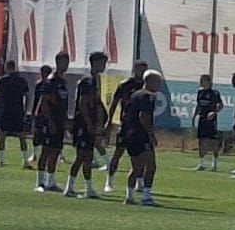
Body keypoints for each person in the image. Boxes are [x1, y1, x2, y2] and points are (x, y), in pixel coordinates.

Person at [115, 67, 163, 204]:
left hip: (131, 135)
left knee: (137, 167)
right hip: (141, 135)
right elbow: (143, 116)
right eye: (158, 82)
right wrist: (151, 133)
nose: (159, 85)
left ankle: (129, 196)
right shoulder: (146, 96)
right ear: (150, 81)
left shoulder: (136, 94)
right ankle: (146, 197)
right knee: (151, 165)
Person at [102, 59, 149, 187]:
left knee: (141, 156)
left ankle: (139, 183)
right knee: (118, 152)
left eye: (144, 69)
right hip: (126, 124)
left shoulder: (146, 87)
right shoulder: (125, 84)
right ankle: (109, 180)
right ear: (134, 69)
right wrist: (110, 120)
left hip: (140, 126)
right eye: (140, 69)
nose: (142, 72)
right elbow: (114, 102)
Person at [64, 55, 105, 198]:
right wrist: (88, 124)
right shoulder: (87, 81)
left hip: (89, 124)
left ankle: (88, 188)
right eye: (102, 63)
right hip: (83, 124)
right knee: (81, 157)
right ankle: (69, 187)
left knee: (87, 157)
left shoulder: (95, 80)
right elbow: (82, 104)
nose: (104, 66)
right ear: (95, 63)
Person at [30, 63, 68, 192]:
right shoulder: (50, 82)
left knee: (56, 151)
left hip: (59, 121)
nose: (66, 65)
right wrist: (49, 120)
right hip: (49, 121)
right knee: (46, 151)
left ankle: (50, 182)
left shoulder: (63, 82)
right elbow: (44, 103)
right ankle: (39, 182)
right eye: (63, 61)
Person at [0, 61, 32, 167]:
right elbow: (27, 96)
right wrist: (26, 110)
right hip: (18, 111)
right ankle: (25, 161)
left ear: (7, 67)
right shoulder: (21, 80)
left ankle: (1, 160)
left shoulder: (2, 80)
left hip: (5, 110)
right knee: (22, 137)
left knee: (2, 136)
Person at [192, 74, 224, 170]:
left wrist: (214, 112)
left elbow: (221, 105)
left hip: (211, 121)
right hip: (202, 119)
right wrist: (194, 116)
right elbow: (199, 105)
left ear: (209, 82)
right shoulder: (200, 92)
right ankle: (201, 163)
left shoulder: (215, 93)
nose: (201, 82)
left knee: (213, 142)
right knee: (201, 141)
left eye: (203, 80)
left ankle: (214, 164)